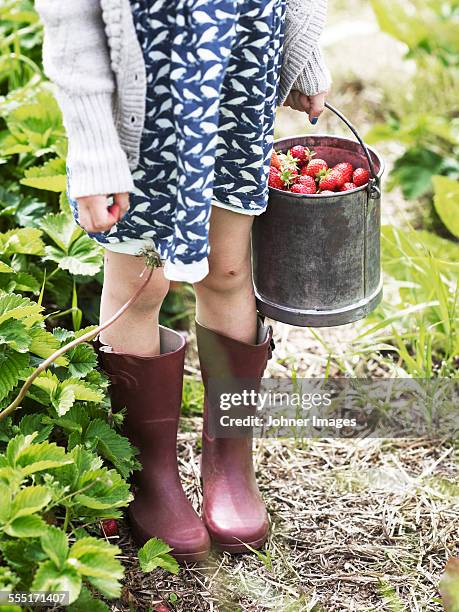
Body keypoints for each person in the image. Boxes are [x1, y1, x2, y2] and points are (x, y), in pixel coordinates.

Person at [36, 0, 330, 562]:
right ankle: (151, 477)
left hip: (240, 71)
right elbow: (71, 19)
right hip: (145, 97)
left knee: (229, 270)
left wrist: (304, 51)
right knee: (140, 285)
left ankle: (229, 462)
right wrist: (96, 145)